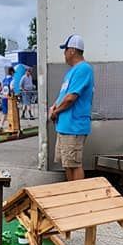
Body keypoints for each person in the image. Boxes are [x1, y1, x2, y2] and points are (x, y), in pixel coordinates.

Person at [48, 34, 94, 182]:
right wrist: (54, 106)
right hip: (65, 126)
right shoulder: (72, 72)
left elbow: (71, 98)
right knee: (68, 164)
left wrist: (55, 112)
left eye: (65, 49)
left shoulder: (83, 69)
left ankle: (77, 193)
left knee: (74, 165)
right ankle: (71, 190)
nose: (64, 53)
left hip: (73, 126)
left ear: (72, 50)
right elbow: (64, 95)